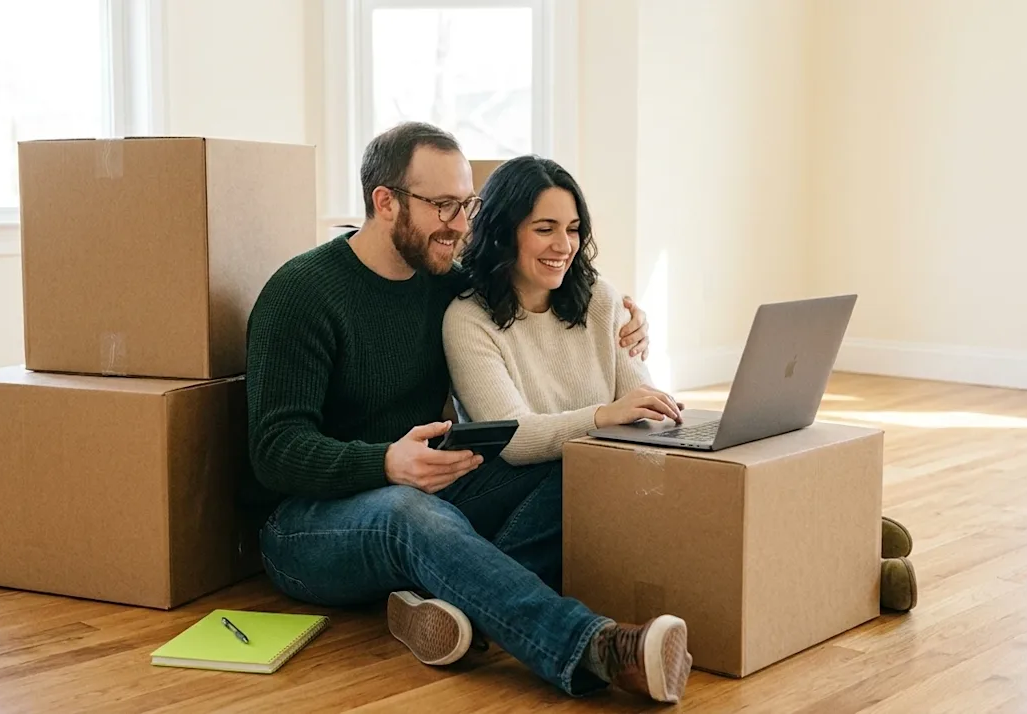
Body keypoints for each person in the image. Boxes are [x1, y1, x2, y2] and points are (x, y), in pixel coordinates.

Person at [244, 122, 693, 704]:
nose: (461, 224)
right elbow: (273, 452)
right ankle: (596, 649)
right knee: (404, 511)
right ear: (385, 202)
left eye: (468, 204)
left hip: (427, 489)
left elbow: (540, 293)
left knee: (576, 466)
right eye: (444, 206)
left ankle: (450, 610)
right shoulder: (301, 293)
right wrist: (384, 463)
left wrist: (629, 324)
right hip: (306, 526)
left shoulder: (445, 283)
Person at [442, 154, 918, 614]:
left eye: (572, 229)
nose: (563, 245)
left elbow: (641, 404)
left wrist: (656, 419)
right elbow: (516, 439)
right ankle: (846, 553)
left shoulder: (599, 299)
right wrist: (603, 416)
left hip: (604, 471)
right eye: (544, 229)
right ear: (504, 233)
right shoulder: (468, 318)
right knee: (592, 471)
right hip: (533, 484)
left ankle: (845, 550)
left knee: (702, 465)